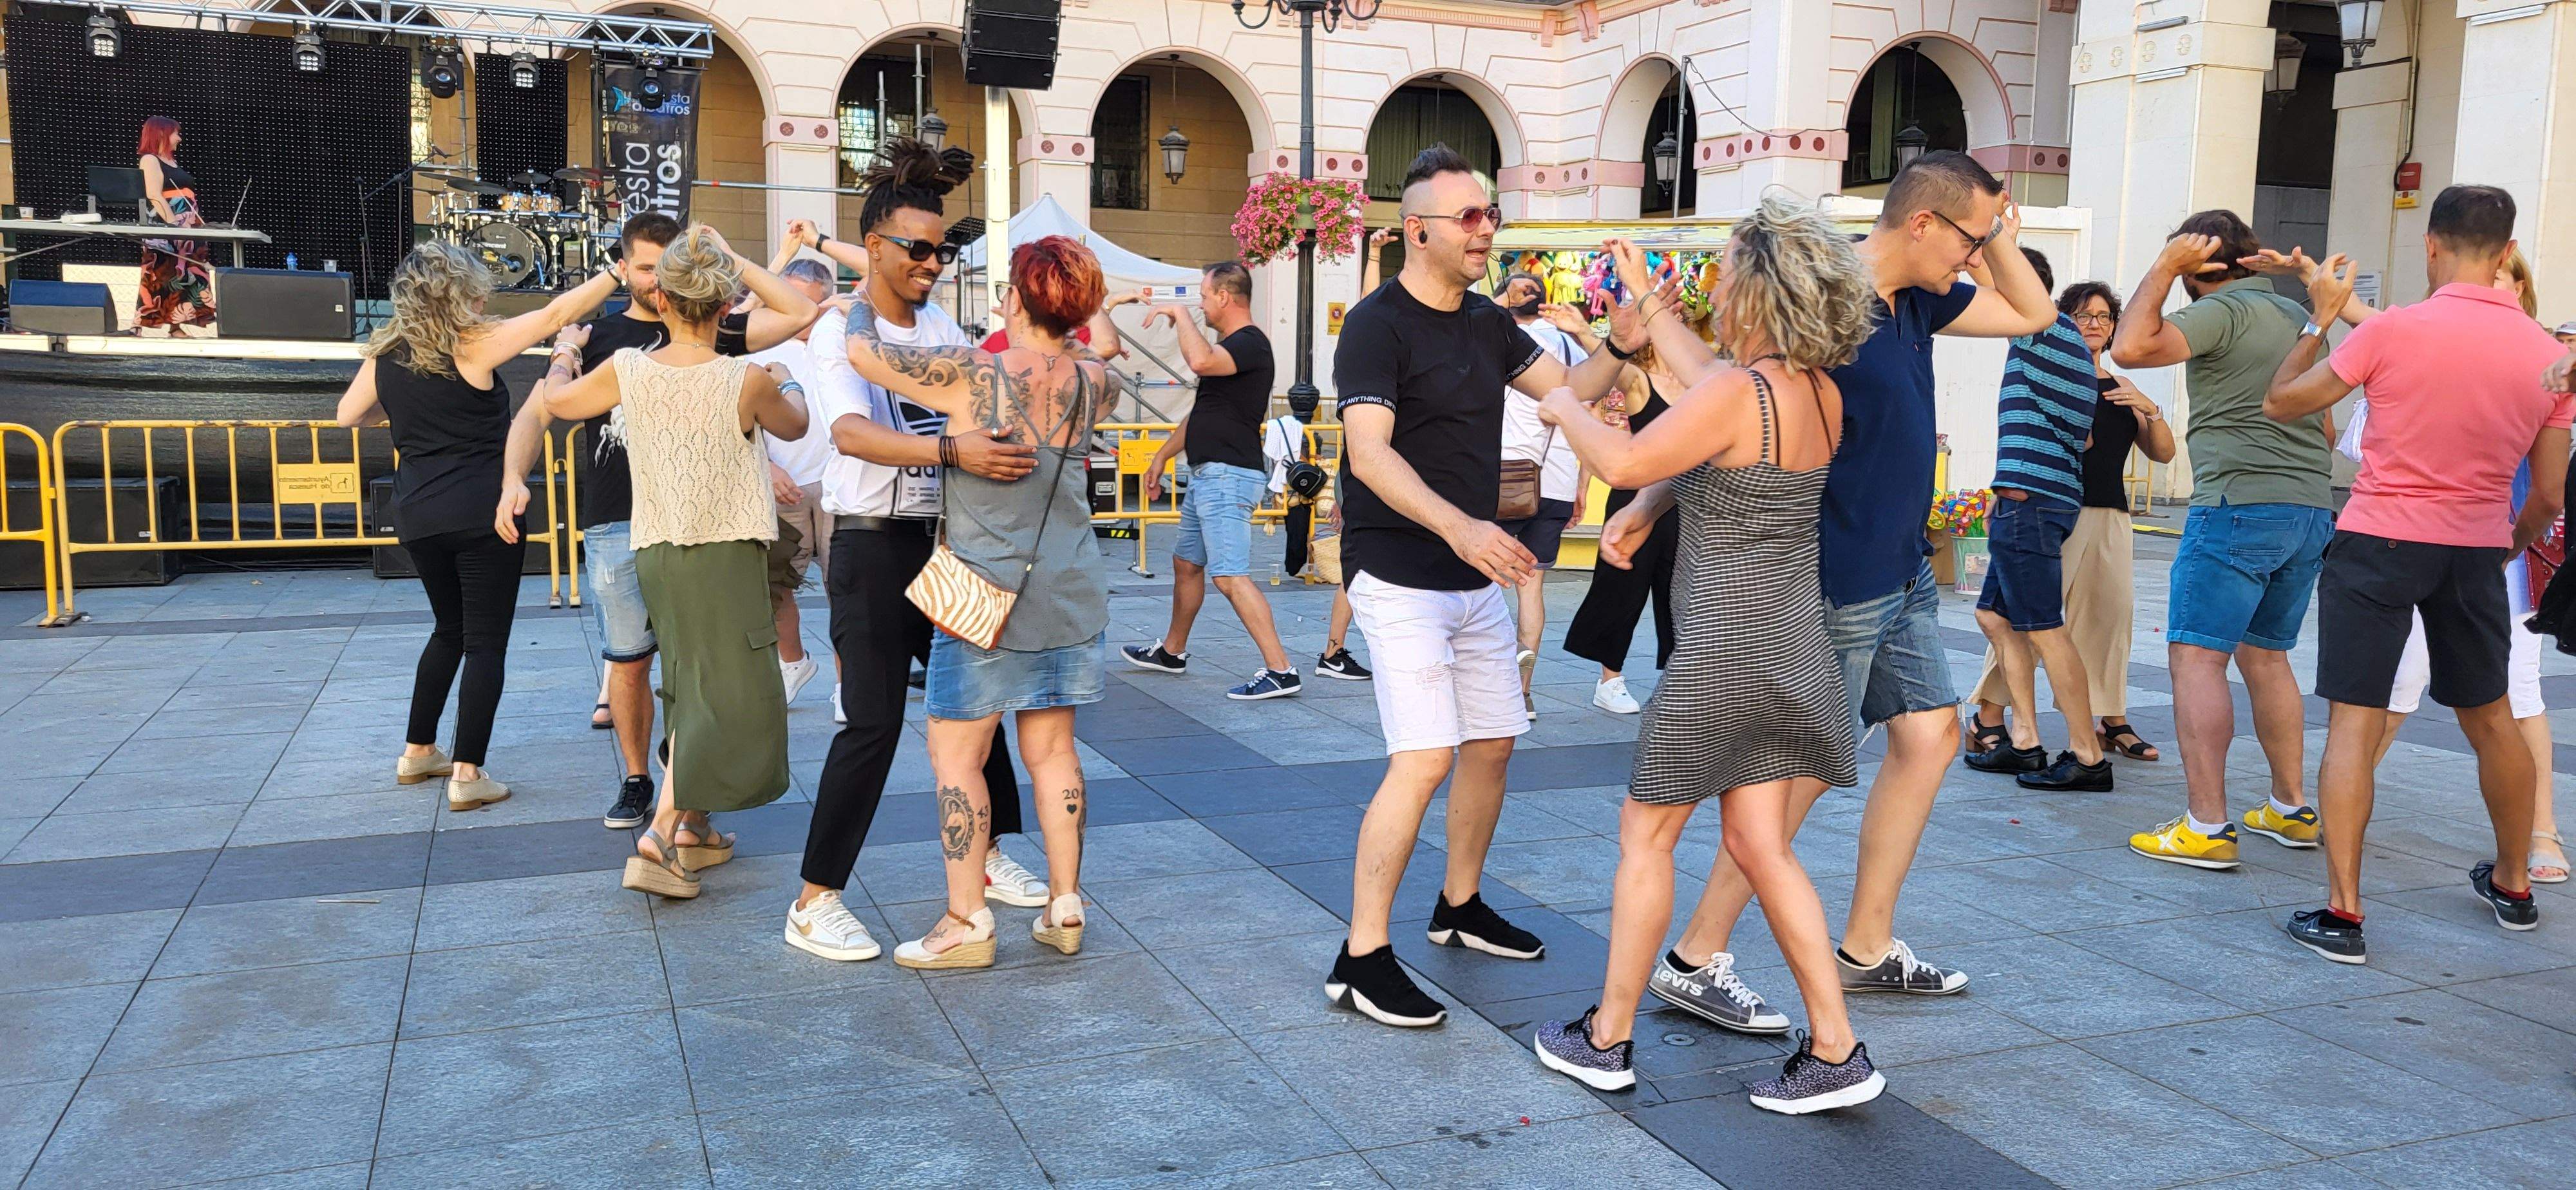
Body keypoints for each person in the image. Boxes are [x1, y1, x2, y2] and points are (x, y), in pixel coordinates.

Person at [1655, 151, 2058, 1024]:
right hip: (1834, 575)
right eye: (1970, 238)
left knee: (1930, 737)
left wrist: (2001, 239)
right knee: (1792, 777)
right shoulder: (1819, 294)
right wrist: (1650, 499)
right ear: (1922, 224)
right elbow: (1732, 397)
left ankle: (1867, 946)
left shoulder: (1921, 294)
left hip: (1901, 568)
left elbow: (2035, 312)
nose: (1974, 257)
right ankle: (1694, 956)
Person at [1530, 205, 1887, 1113]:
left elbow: (1626, 449)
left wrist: (1568, 401)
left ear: (1761, 290)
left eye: (1726, 273)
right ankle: (1837, 1051)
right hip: (1788, 643)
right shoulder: (1810, 391)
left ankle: (1606, 1038)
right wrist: (1647, 297)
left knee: (1647, 836)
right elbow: (1706, 392)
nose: (1716, 287)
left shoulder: (1741, 394)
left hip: (1722, 652)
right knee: (1761, 843)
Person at [1323, 144, 1635, 1028]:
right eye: (1467, 216)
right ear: (1415, 229)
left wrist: (1619, 343)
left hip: (1471, 571)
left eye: (1489, 214)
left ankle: (1458, 907)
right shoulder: (1377, 324)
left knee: (1494, 740)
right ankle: (1361, 955)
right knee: (1422, 757)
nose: (1484, 228)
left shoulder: (1489, 322)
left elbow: (1567, 392)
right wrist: (1462, 526)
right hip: (1396, 570)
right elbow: (1369, 453)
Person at [2260, 185, 2571, 961]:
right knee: (2491, 716)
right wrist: (2508, 542)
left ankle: (2344, 914)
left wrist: (2320, 317)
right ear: (2505, 254)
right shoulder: (2547, 356)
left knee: (2356, 720)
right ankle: (2513, 882)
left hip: (2379, 540)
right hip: (2473, 547)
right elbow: (2552, 497)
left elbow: (2281, 403)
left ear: (2431, 245)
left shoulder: (2395, 330)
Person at [772, 146, 1050, 963]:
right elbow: (851, 433)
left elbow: (981, 399)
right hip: (872, 545)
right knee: (874, 722)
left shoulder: (937, 326)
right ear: (877, 247)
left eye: (943, 251)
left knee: (977, 703)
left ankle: (988, 852)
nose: (932, 263)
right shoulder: (835, 329)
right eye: (917, 249)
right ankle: (813, 899)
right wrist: (955, 454)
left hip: (950, 539)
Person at [839, 234, 1116, 969]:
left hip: (982, 593)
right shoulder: (1096, 381)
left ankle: (967, 919)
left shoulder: (974, 375)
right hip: (1070, 587)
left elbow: (865, 358)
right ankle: (1065, 904)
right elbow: (1100, 345)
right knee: (1053, 750)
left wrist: (862, 302)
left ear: (1019, 298)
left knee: (956, 757)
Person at [544, 228, 810, 900]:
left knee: (688, 686)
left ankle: (692, 827)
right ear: (724, 303)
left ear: (660, 298)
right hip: (724, 552)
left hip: (658, 548)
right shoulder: (744, 377)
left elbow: (558, 403)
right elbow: (798, 419)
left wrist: (562, 354)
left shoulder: (630, 368)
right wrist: (789, 376)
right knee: (727, 695)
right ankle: (662, 834)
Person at [335, 245, 618, 810]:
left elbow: (348, 416)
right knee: (485, 642)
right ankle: (468, 773)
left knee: (449, 630)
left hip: (416, 513)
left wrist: (402, 411)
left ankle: (418, 752)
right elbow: (557, 314)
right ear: (456, 295)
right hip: (482, 510)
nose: (484, 298)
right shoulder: (473, 344)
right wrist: (615, 272)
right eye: (476, 289)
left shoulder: (388, 353)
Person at [2333, 249, 2566, 885]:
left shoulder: (2544, 359)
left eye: (2498, 281)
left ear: (2521, 288)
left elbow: (2548, 489)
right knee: (2400, 692)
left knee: (2514, 700)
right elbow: (2369, 321)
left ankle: (2538, 836)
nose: (2483, 291)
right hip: (2471, 547)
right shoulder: (2444, 342)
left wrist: (2513, 545)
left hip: (2489, 552)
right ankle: (2345, 817)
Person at [2111, 211, 2334, 871]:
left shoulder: (2225, 309)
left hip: (2238, 503)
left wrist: (2161, 269)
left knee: (2197, 659)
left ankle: (2206, 824)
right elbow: (2321, 431)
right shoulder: (2291, 316)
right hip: (2308, 506)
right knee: (2265, 656)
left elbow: (2131, 348)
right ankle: (2289, 808)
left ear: (2199, 266)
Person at [1968, 281, 2175, 762]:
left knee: (2110, 618)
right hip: (2056, 507)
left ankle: (2111, 719)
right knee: (2028, 620)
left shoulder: (2122, 388)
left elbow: (2162, 453)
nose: (2095, 325)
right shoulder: (2050, 370)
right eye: (2083, 316)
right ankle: (1992, 712)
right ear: (2061, 321)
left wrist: (2150, 408)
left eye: (2104, 317)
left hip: (2109, 515)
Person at [1960, 248, 2113, 790]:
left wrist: (1990, 237)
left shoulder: (2043, 329)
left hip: (2032, 505)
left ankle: (2088, 756)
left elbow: (1983, 276)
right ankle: (2023, 741)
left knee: (2047, 631)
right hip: (2037, 499)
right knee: (1995, 618)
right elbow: (2087, 436)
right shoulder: (2061, 346)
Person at [1121, 260, 1306, 700]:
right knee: (1187, 565)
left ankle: (1281, 669)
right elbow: (1204, 413)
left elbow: (1200, 360)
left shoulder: (1249, 344)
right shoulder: (1231, 350)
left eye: (1203, 297)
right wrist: (1161, 457)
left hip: (1227, 477)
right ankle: (1172, 652)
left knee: (1229, 576)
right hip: (1208, 475)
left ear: (1225, 296)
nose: (1200, 305)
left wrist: (1179, 315)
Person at [1549, 306, 1686, 715]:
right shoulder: (1640, 380)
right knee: (1623, 589)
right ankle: (1610, 681)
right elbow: (1617, 369)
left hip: (1684, 501)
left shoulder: (1703, 384)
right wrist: (1583, 332)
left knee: (1679, 593)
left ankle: (1678, 679)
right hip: (1636, 499)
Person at [1493, 270, 1592, 720]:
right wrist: (1582, 485)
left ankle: (1486, 690)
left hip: (1506, 477)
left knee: (1483, 586)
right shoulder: (1569, 346)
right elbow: (1587, 414)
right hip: (1555, 482)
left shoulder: (1501, 338)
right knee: (1532, 589)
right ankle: (1523, 692)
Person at [747, 257, 841, 710]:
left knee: (845, 588)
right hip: (783, 484)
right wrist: (767, 465)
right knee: (776, 586)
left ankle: (848, 688)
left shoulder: (842, 341)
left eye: (805, 301)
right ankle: (793, 662)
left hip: (839, 484)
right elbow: (737, 419)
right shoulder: (759, 346)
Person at [1265, 408, 1370, 679]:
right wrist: (1344, 498)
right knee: (1356, 576)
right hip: (1371, 502)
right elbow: (1360, 456)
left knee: (1358, 576)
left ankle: (1334, 655)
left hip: (1369, 499)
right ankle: (1333, 655)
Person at [135, 117, 214, 337]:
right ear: (161, 134)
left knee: (188, 274)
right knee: (161, 272)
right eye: (175, 133)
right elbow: (154, 194)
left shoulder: (172, 162)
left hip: (189, 226)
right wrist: (173, 225)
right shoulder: (151, 160)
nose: (179, 138)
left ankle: (176, 326)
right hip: (169, 224)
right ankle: (141, 324)